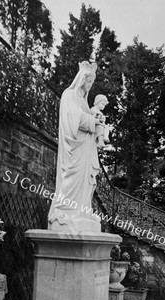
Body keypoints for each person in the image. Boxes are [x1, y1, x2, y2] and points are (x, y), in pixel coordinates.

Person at [48, 61, 103, 233]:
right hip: (74, 149)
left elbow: (87, 117)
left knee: (86, 182)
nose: (90, 85)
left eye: (92, 83)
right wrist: (93, 122)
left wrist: (97, 123)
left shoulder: (85, 102)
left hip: (86, 149)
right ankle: (64, 211)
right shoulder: (69, 95)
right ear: (81, 79)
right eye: (88, 81)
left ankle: (82, 212)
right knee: (71, 179)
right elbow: (73, 118)